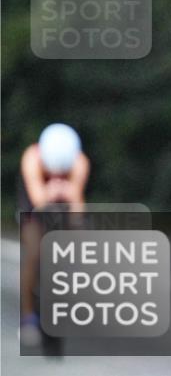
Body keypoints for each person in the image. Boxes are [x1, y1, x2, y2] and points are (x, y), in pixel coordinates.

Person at [18, 123, 90, 346]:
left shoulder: (79, 162)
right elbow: (39, 201)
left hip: (62, 206)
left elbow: (77, 207)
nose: (58, 174)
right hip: (34, 209)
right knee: (34, 253)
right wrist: (52, 192)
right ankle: (28, 316)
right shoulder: (32, 158)